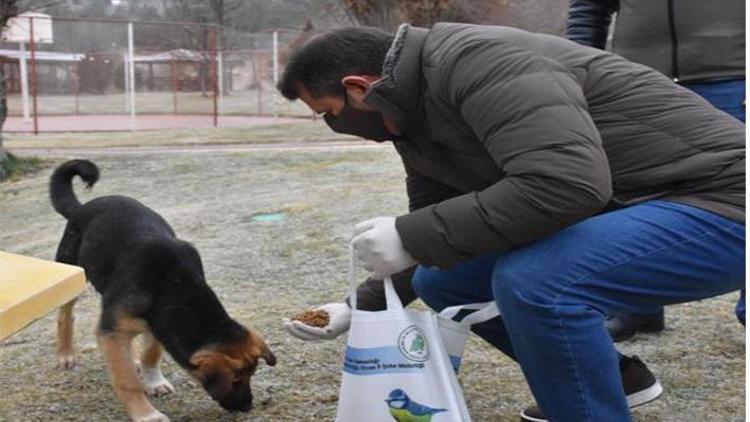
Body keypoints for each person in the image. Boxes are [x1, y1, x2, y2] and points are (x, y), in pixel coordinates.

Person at [277, 24, 745, 422]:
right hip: (642, 202)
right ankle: (615, 381)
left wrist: (408, 234)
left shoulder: (481, 61)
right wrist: (359, 304)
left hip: (723, 201)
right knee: (444, 282)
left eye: (327, 114)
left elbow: (567, 184)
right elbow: (437, 231)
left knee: (540, 281)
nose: (332, 125)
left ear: (358, 87)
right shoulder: (412, 112)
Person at [566, 0, 746, 342]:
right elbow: (589, 8)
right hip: (636, 78)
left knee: (742, 195)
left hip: (732, 76)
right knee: (629, 190)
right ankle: (634, 305)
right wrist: (576, 65)